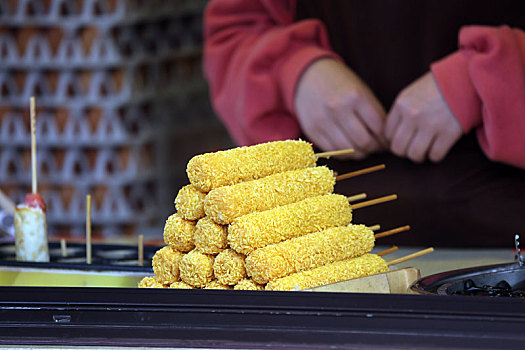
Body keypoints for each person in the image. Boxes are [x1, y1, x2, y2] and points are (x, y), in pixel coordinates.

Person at [202, 0, 525, 247]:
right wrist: (291, 72)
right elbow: (235, 31)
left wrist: (493, 77)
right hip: (322, 235)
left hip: (506, 226)